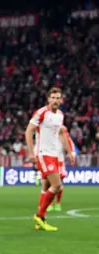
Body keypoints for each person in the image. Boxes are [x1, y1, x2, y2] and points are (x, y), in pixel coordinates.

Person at [25, 87, 75, 231]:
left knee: (46, 186)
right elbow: (28, 131)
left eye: (58, 98)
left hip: (54, 155)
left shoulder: (60, 115)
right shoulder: (42, 113)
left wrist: (69, 151)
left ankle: (39, 222)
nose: (55, 100)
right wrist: (31, 152)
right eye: (53, 98)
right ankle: (39, 216)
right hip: (44, 153)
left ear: (61, 100)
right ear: (48, 99)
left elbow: (61, 134)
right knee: (57, 185)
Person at [47, 125, 76, 212]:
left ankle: (58, 203)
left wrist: (72, 153)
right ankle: (50, 204)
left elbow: (68, 140)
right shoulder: (46, 127)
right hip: (48, 157)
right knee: (49, 181)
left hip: (59, 158)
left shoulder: (62, 128)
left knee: (59, 182)